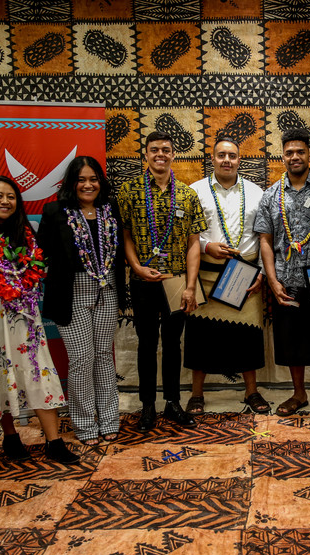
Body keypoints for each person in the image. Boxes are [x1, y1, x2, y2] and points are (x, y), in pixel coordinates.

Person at [0, 175, 79, 462]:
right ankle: (10, 438)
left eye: (10, 196)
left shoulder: (25, 234)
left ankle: (54, 442)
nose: (5, 201)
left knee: (37, 370)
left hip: (25, 315)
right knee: (0, 370)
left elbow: (35, 268)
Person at [117, 131, 206, 430]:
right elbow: (125, 237)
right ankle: (147, 408)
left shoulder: (187, 194)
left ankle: (172, 403)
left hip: (176, 281)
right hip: (143, 282)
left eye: (166, 150)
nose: (160, 155)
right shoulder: (128, 191)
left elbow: (195, 243)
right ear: (145, 154)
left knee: (172, 344)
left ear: (173, 155)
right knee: (145, 344)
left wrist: (191, 286)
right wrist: (137, 268)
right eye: (154, 150)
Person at [255, 127, 310, 417]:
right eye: (289, 152)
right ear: (283, 157)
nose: (295, 157)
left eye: (300, 152)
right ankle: (299, 394)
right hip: (286, 281)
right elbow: (265, 241)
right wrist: (271, 279)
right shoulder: (270, 196)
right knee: (292, 339)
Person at [39, 157, 126, 446]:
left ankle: (110, 420)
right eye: (81, 179)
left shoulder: (110, 209)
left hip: (107, 290)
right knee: (80, 359)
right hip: (72, 294)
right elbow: (43, 253)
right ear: (71, 183)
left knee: (103, 357)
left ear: (100, 181)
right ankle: (86, 425)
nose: (88, 185)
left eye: (93, 179)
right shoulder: (54, 211)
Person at [184, 137, 269, 414]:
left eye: (232, 156)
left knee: (248, 336)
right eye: (221, 155)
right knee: (201, 336)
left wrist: (264, 274)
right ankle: (197, 394)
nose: (227, 160)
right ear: (212, 158)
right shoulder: (195, 191)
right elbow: (188, 235)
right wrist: (208, 246)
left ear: (239, 160)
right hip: (206, 272)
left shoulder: (257, 193)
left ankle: (252, 392)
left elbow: (265, 236)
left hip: (244, 273)